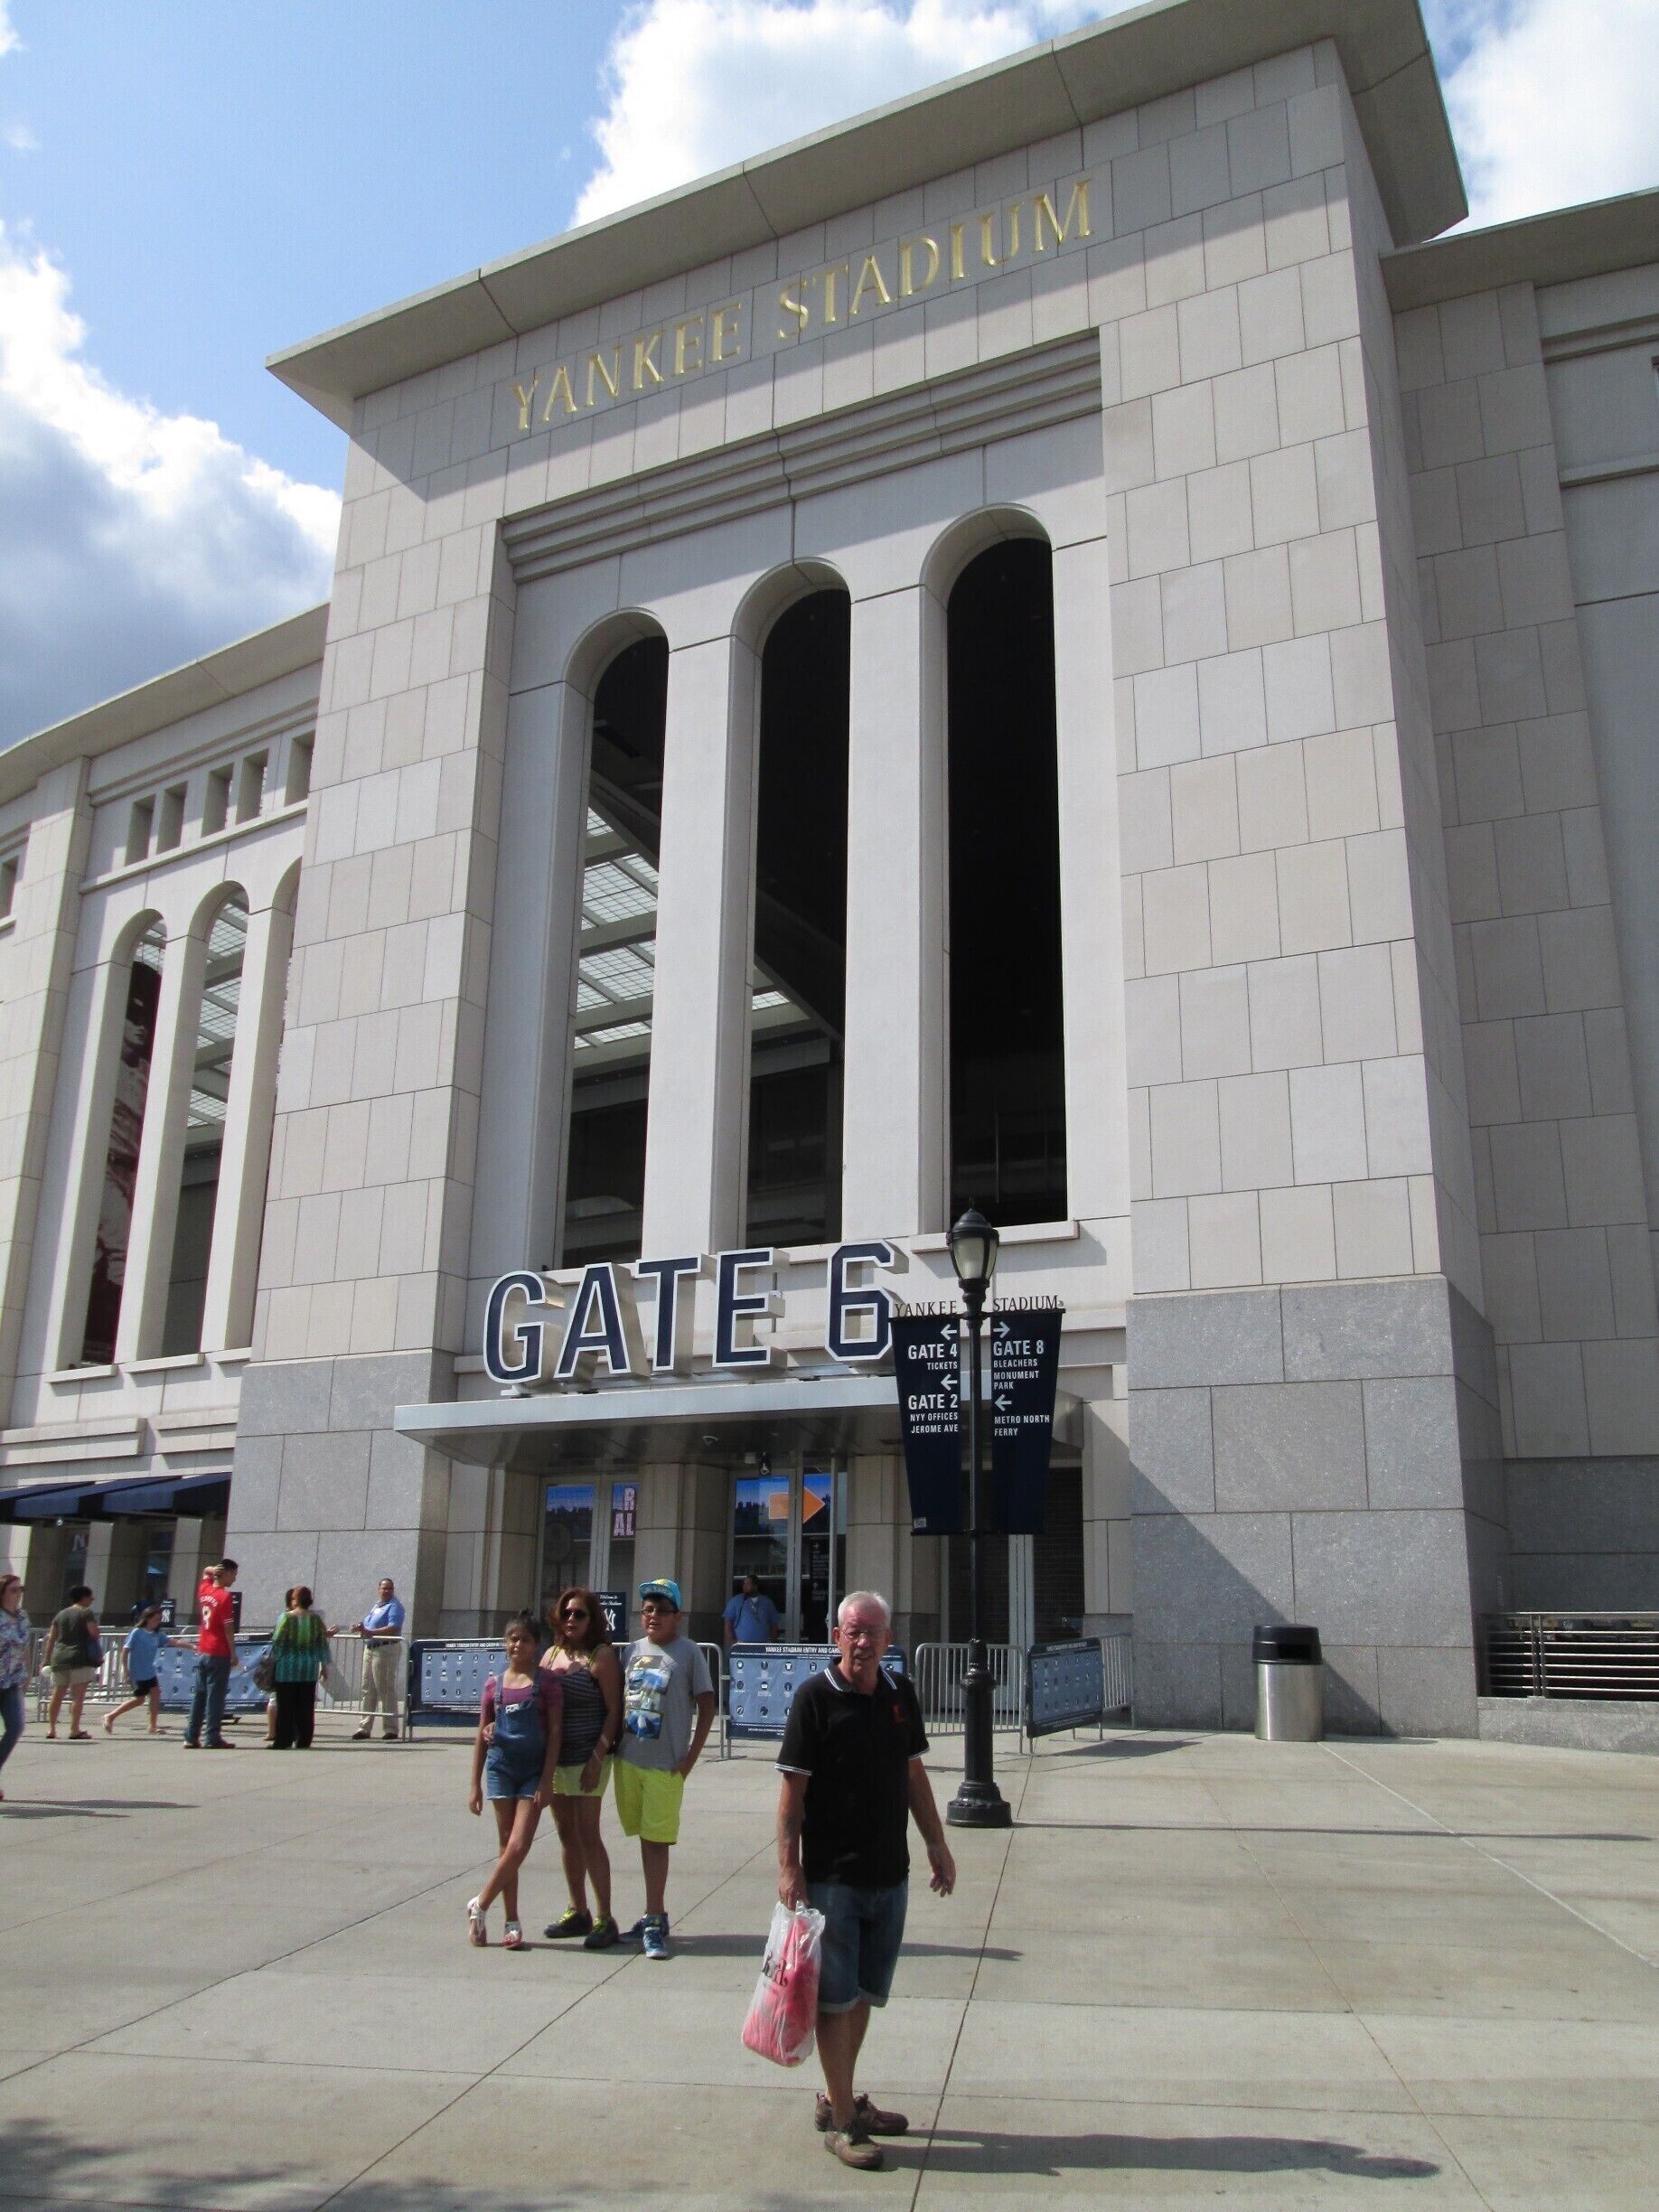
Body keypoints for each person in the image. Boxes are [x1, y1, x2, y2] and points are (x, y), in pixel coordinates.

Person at [776, 1589, 956, 2172]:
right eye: (852, 1631)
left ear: (888, 1639)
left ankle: (841, 2097)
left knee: (864, 1995)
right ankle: (843, 2121)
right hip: (833, 1877)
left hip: (889, 1872)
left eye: (872, 1632)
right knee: (836, 1999)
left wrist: (936, 1843)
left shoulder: (900, 1694)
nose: (862, 1641)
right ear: (836, 1637)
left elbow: (913, 1774)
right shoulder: (814, 1698)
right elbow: (792, 1790)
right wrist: (788, 1865)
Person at [614, 1578, 716, 1961]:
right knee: (645, 1838)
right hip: (629, 1761)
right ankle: (651, 1912)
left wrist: (690, 1758)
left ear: (678, 1616)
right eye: (648, 1609)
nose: (654, 1615)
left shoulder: (689, 1653)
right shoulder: (631, 1651)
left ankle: (655, 1919)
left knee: (657, 1843)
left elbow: (707, 1705)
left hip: (666, 1767)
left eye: (662, 1609)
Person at [467, 1612, 562, 1948]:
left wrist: (547, 1780)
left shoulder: (547, 1684)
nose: (517, 1645)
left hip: (533, 1772)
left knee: (519, 1845)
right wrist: (474, 1784)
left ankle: (480, 1903)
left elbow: (555, 1733)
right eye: (512, 1639)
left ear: (537, 1645)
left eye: (524, 1640)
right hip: (501, 1770)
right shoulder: (494, 1685)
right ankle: (511, 1921)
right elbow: (482, 1734)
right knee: (506, 1844)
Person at [539, 1586, 624, 1950]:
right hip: (557, 1760)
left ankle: (605, 1916)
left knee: (588, 1833)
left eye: (579, 1614)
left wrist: (597, 1757)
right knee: (566, 1834)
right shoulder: (550, 1655)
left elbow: (614, 1711)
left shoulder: (601, 1656)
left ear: (593, 1620)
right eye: (566, 1613)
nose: (571, 1619)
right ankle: (579, 1910)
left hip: (590, 1758)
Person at [183, 1560, 239, 1750]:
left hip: (203, 1648)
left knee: (199, 1695)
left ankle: (191, 1736)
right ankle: (212, 1736)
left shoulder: (205, 1590)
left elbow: (205, 1571)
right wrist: (233, 1653)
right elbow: (228, 1628)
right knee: (215, 1696)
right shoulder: (224, 1596)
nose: (234, 1579)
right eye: (233, 1574)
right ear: (226, 1573)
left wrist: (212, 1569)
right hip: (218, 1651)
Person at [268, 1587, 332, 1749]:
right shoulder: (316, 1620)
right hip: (308, 1667)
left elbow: (277, 1640)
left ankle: (284, 1739)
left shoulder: (286, 1618)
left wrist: (276, 1659)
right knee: (306, 1706)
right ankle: (304, 1739)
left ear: (296, 1600)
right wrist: (324, 1666)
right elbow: (321, 1644)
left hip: (287, 1668)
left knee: (286, 1706)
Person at [42, 1583, 100, 1740]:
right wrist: (97, 1631)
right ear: (84, 1598)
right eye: (91, 1598)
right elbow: (93, 1633)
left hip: (59, 1657)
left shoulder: (61, 1614)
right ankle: (74, 1729)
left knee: (57, 1694)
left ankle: (51, 1729)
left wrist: (47, 1659)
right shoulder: (86, 1612)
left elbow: (51, 1638)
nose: (92, 1600)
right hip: (80, 1657)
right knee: (77, 1696)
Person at [351, 1576, 406, 1740]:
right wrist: (360, 1628)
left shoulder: (395, 1606)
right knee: (367, 1688)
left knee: (385, 1688)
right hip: (370, 1648)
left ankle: (391, 1728)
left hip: (385, 1648)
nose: (387, 1591)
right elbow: (369, 1624)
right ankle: (364, 1728)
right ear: (378, 1589)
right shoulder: (377, 1606)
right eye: (384, 1588)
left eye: (390, 1588)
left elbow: (394, 1627)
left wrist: (371, 1632)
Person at [104, 1604, 167, 1735]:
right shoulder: (137, 1633)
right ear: (147, 1618)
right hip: (137, 1672)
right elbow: (125, 1651)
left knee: (155, 1694)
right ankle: (110, 1716)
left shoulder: (157, 1634)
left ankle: (152, 1726)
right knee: (140, 1699)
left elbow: (172, 1642)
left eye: (159, 1620)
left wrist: (190, 1646)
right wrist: (125, 1670)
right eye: (155, 1619)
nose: (157, 1622)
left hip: (149, 1672)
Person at [0, 1571, 31, 1797]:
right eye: (14, 1590)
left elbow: (25, 1646)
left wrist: (27, 1672)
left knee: (16, 1726)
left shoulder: (22, 1617)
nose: (18, 1593)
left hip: (12, 1680)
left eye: (21, 1589)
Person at [723, 1572, 782, 1647]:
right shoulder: (735, 1601)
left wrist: (772, 1643)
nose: (744, 1586)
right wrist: (733, 1642)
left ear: (755, 1586)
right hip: (741, 1645)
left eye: (748, 1584)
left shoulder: (767, 1602)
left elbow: (774, 1624)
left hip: (762, 1645)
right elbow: (728, 1623)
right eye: (744, 1584)